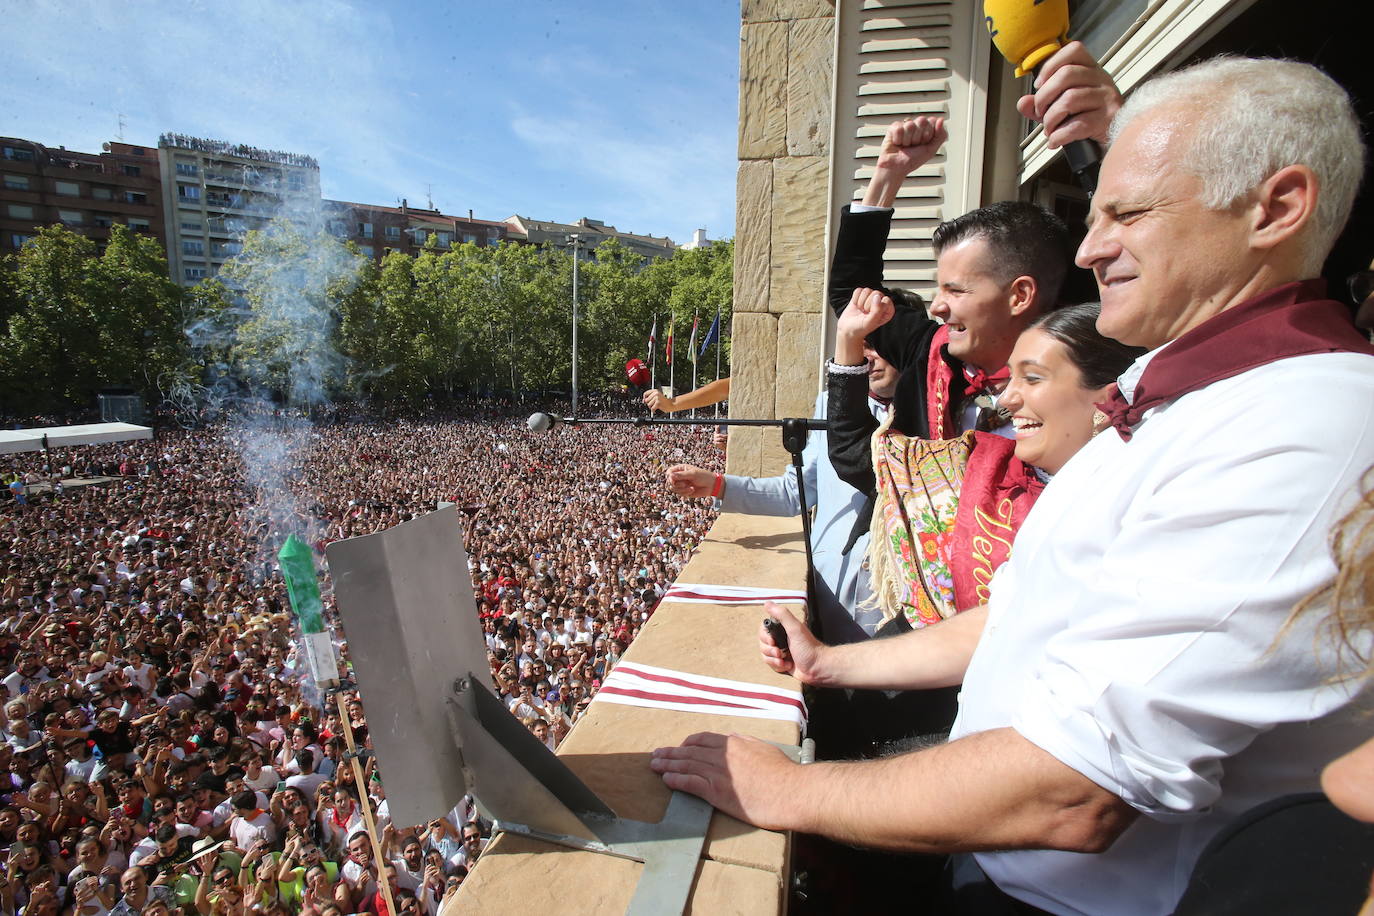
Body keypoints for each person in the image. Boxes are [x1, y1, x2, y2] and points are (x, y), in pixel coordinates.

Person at [651, 55, 1374, 916]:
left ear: (1277, 208)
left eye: (1128, 213)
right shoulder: (1174, 401)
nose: (1095, 246)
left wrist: (790, 793)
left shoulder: (1303, 422)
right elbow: (1025, 609)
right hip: (991, 857)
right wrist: (834, 662)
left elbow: (1078, 790)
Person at [664, 353, 900, 642]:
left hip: (900, 620)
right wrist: (717, 486)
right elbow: (795, 491)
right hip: (828, 606)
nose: (869, 357)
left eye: (880, 344)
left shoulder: (946, 415)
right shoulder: (831, 403)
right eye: (860, 346)